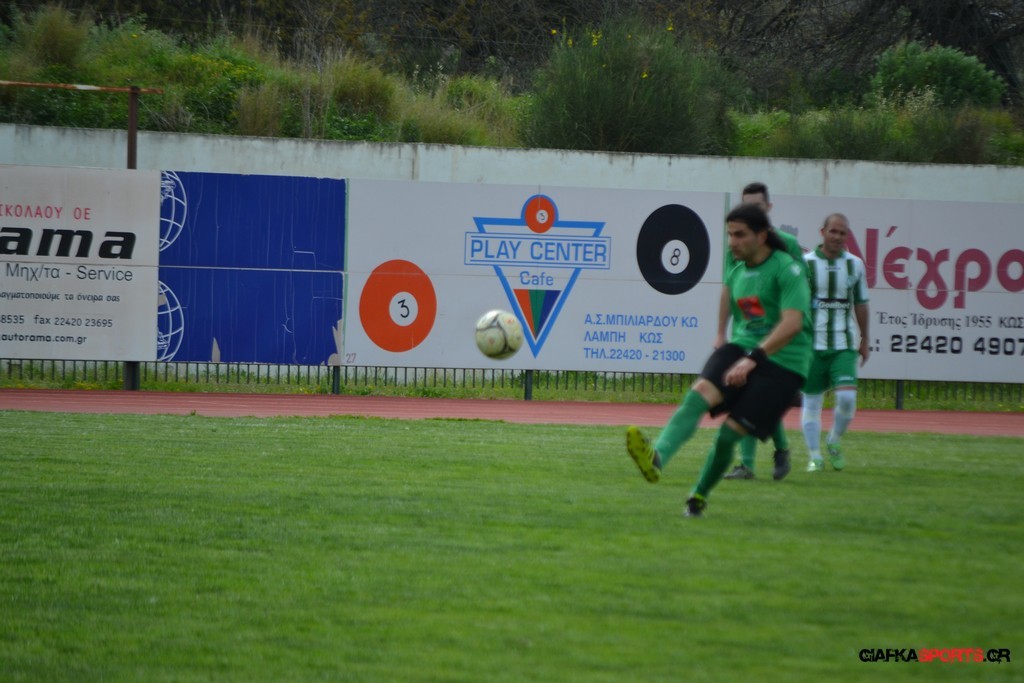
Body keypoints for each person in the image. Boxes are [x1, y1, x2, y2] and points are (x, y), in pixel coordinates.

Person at [626, 203, 812, 517]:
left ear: (762, 236)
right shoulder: (738, 270)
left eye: (740, 235)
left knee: (728, 436)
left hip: (785, 362)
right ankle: (656, 458)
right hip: (743, 348)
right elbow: (733, 299)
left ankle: (698, 496)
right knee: (698, 394)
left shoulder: (787, 269)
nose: (732, 242)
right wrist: (721, 335)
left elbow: (792, 324)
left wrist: (753, 359)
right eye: (730, 235)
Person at [717, 182, 806, 482]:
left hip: (775, 335)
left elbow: (798, 290)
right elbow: (729, 287)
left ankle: (779, 450)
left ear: (768, 208)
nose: (751, 210)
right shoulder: (735, 245)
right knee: (749, 395)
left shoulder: (787, 245)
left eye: (756, 206)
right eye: (746, 205)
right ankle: (750, 463)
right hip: (746, 330)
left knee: (762, 397)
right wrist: (721, 332)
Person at [801, 213, 870, 471]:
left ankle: (833, 440)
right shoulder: (806, 264)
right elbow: (795, 303)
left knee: (847, 398)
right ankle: (814, 456)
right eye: (834, 231)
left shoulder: (855, 265)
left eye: (843, 233)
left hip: (844, 343)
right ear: (823, 232)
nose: (838, 237)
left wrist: (864, 338)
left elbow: (861, 303)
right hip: (812, 345)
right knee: (812, 402)